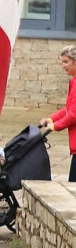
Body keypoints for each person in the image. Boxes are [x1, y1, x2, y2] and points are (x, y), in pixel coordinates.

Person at [38, 43, 76, 182]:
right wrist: (51, 119)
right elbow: (68, 109)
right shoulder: (74, 82)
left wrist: (55, 126)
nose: (63, 66)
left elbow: (74, 115)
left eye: (66, 62)